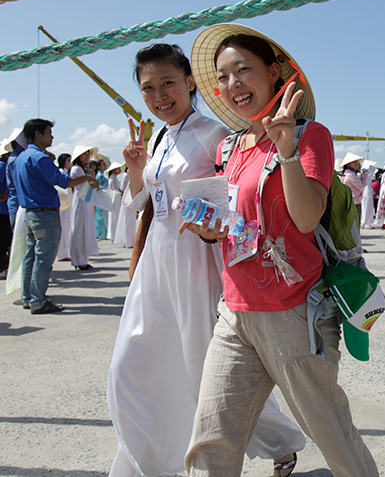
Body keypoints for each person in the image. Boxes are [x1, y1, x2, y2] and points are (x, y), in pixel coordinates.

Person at [182, 23, 378, 476]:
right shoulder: (231, 146)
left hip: (293, 315)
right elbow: (241, 221)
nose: (232, 84)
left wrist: (287, 149)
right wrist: (213, 229)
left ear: (274, 73)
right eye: (223, 76)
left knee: (334, 437)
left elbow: (306, 218)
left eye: (243, 70)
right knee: (211, 439)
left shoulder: (312, 136)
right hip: (234, 313)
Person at [106, 43, 305, 477]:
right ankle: (146, 457)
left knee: (203, 370)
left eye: (168, 84)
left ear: (190, 83)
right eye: (148, 88)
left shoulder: (213, 135)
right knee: (132, 361)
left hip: (197, 263)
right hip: (155, 269)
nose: (160, 95)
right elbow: (144, 203)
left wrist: (212, 224)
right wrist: (137, 168)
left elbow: (234, 204)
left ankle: (279, 442)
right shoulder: (158, 137)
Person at [14, 119, 98, 313]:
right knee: (43, 259)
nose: (52, 136)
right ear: (37, 134)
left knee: (30, 257)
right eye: (48, 132)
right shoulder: (40, 158)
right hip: (44, 213)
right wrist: (87, 177)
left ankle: (28, 297)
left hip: (30, 212)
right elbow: (63, 181)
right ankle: (38, 300)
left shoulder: (22, 157)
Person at [69, 146, 99, 270]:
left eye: (88, 155)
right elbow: (84, 187)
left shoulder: (84, 170)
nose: (87, 157)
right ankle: (78, 259)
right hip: (80, 201)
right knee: (79, 231)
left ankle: (83, 259)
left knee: (85, 230)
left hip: (86, 202)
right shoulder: (76, 169)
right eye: (84, 155)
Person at [5, 127, 27, 229]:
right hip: (18, 204)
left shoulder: (14, 157)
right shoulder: (16, 159)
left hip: (16, 203)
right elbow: (17, 183)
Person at [55, 153, 73, 262]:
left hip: (67, 204)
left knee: (66, 229)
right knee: (63, 229)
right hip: (63, 205)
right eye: (68, 161)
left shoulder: (66, 172)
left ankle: (64, 252)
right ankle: (61, 253)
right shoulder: (61, 173)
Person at [340, 152, 365, 222]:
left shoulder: (347, 174)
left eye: (357, 161)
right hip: (355, 202)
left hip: (350, 201)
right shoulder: (351, 175)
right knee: (356, 224)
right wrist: (365, 176)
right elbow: (362, 188)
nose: (357, 163)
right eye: (354, 162)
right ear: (348, 164)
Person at [106, 162, 124, 241]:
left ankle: (114, 235)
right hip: (115, 199)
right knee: (115, 217)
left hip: (115, 198)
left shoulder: (113, 178)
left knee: (114, 217)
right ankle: (114, 235)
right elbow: (114, 190)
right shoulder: (112, 179)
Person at [0, 146, 11, 276]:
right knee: (3, 240)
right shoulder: (2, 165)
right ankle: (2, 268)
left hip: (5, 208)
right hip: (2, 209)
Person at [94, 158, 109, 240]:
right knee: (101, 215)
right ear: (98, 166)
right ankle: (100, 233)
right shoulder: (99, 176)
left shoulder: (102, 175)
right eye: (103, 164)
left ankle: (102, 233)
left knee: (102, 215)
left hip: (103, 196)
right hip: (101, 197)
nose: (105, 166)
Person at [359, 159, 377, 229]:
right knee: (367, 206)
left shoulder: (363, 172)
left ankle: (364, 222)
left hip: (365, 189)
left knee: (364, 206)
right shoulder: (367, 172)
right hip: (367, 189)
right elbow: (373, 176)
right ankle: (366, 223)